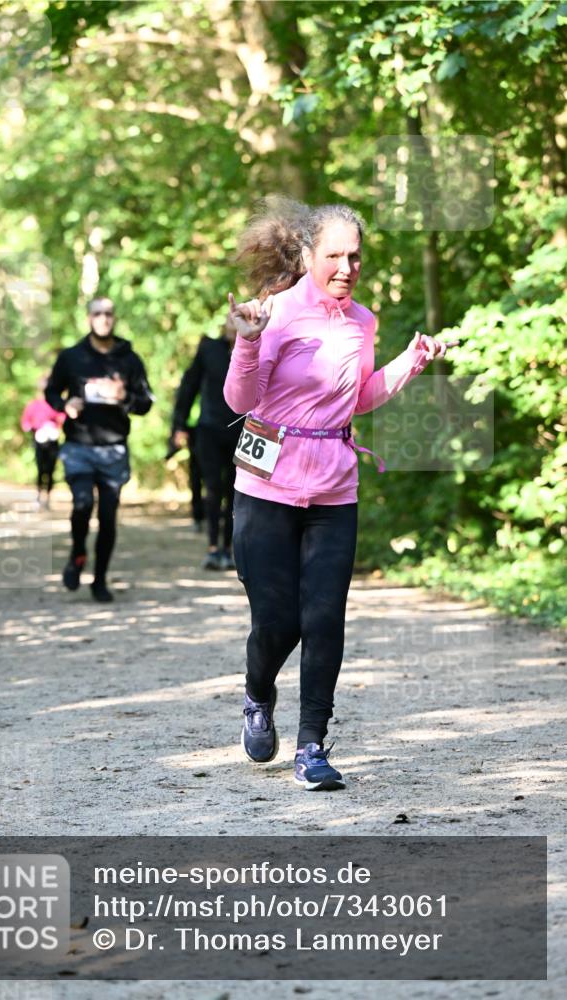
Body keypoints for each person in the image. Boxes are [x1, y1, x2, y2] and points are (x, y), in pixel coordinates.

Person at [224, 196, 457, 791]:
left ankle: (311, 746)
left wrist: (411, 361)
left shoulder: (364, 322)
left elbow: (356, 400)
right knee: (277, 621)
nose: (346, 267)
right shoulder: (270, 312)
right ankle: (257, 695)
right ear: (307, 255)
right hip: (267, 486)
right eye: (334, 255)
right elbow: (240, 401)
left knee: (325, 618)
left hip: (334, 488)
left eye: (355, 256)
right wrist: (248, 341)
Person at [45, 296, 154, 602]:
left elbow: (145, 403)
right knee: (81, 506)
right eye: (98, 313)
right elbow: (51, 391)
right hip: (79, 446)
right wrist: (66, 405)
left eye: (109, 313)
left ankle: (100, 580)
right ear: (89, 318)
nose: (104, 318)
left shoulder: (129, 359)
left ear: (114, 318)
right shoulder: (71, 357)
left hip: (113, 450)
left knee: (107, 517)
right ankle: (78, 552)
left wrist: (123, 397)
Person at [171, 313, 240, 569]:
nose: (236, 324)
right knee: (213, 488)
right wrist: (179, 425)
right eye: (234, 318)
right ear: (225, 323)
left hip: (243, 433)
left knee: (236, 491)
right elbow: (189, 387)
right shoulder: (209, 349)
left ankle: (230, 548)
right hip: (209, 430)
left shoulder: (256, 349)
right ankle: (213, 548)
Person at [20, 376, 65, 509]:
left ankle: (49, 496)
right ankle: (39, 494)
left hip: (52, 440)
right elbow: (25, 422)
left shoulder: (55, 404)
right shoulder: (33, 405)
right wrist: (32, 427)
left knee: (51, 469)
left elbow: (62, 418)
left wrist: (54, 427)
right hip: (39, 440)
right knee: (41, 468)